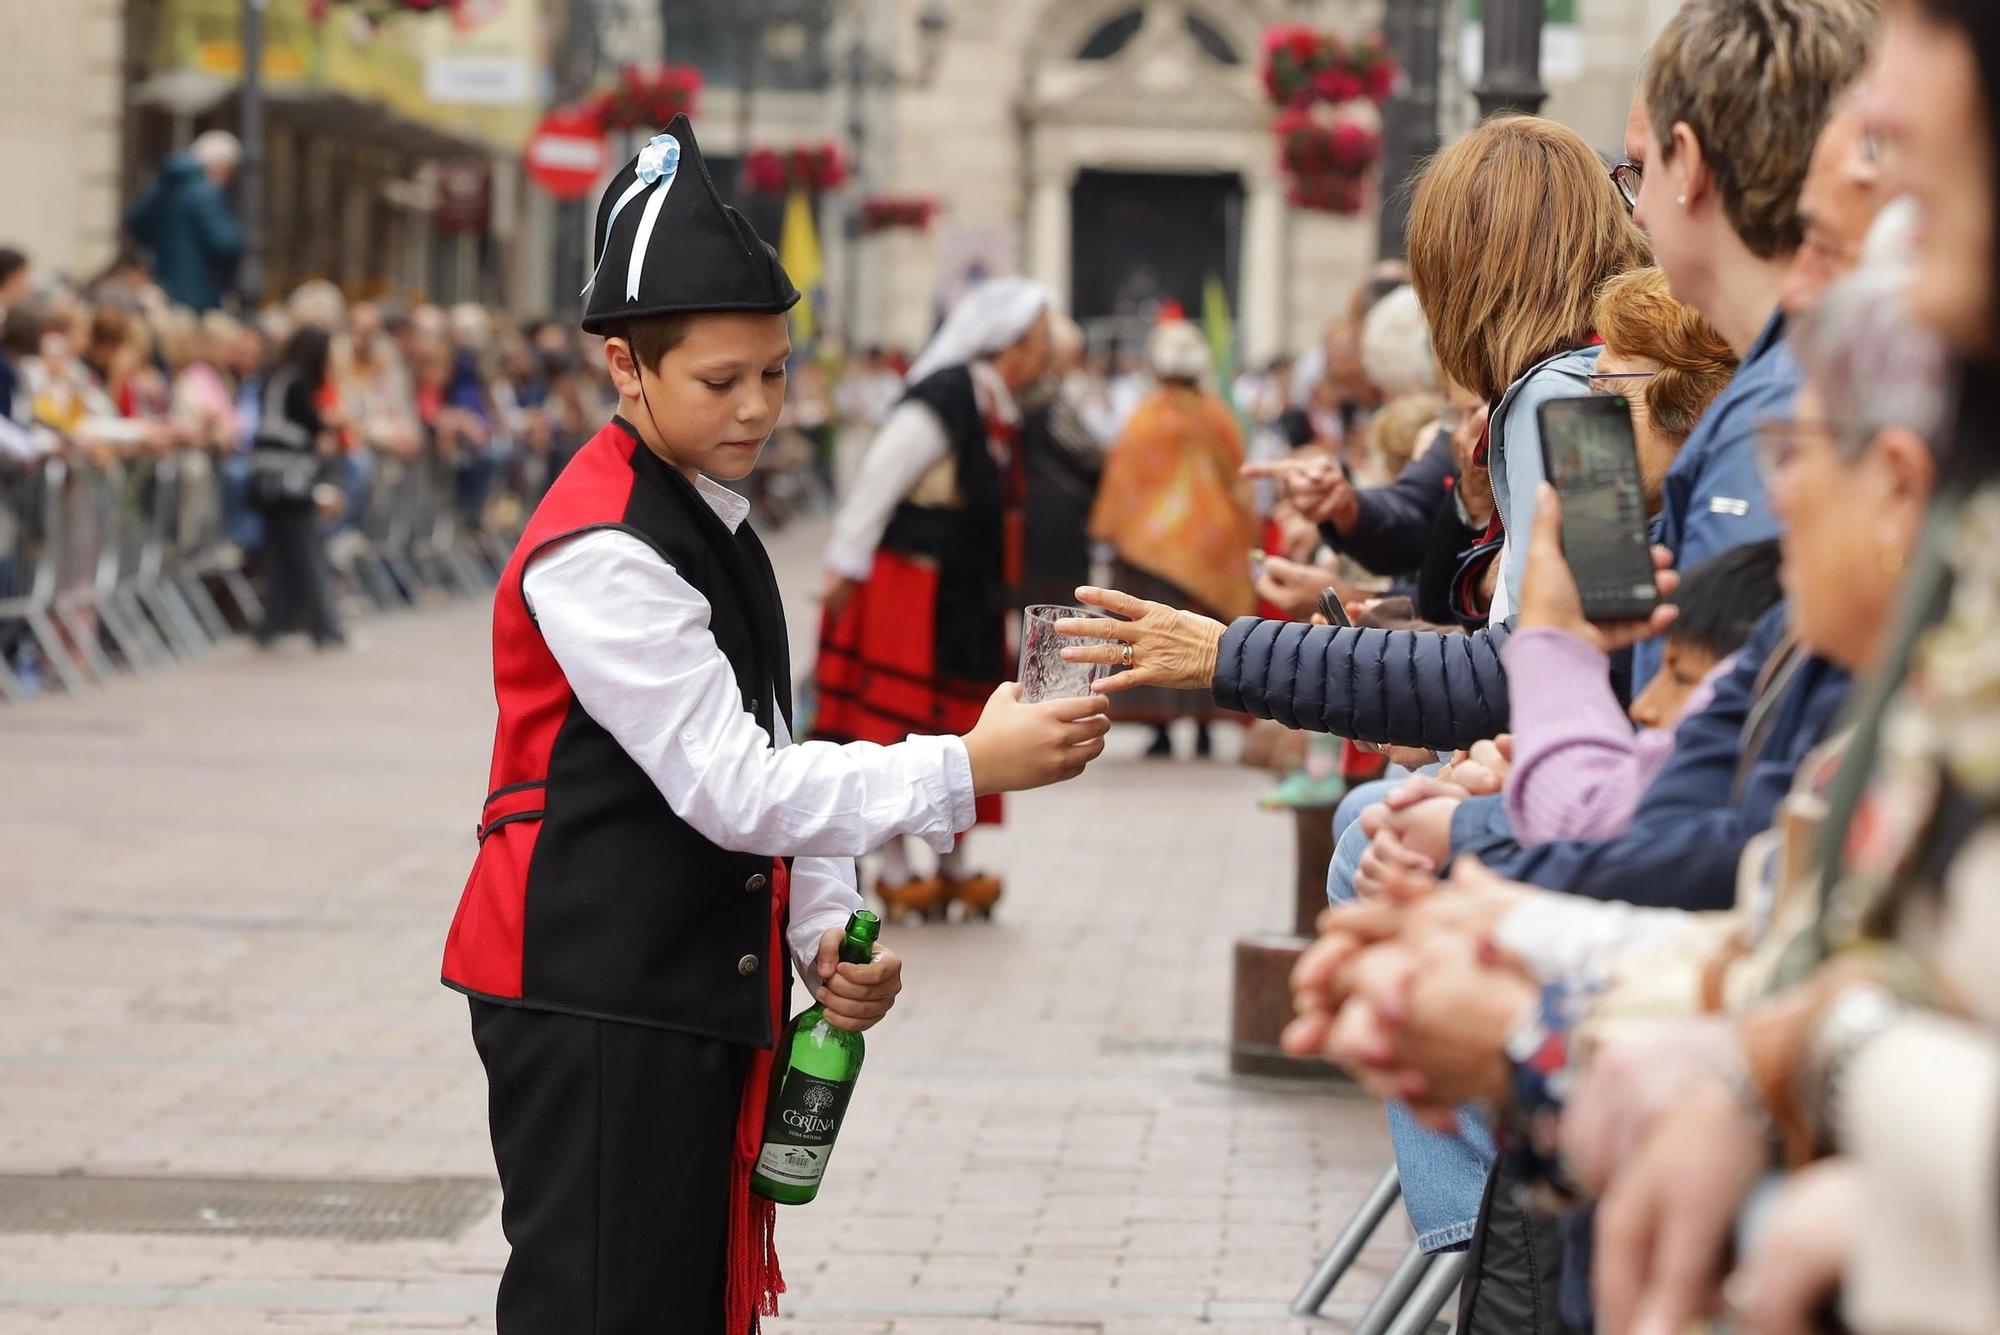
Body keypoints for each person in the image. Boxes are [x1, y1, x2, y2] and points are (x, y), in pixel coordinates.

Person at [439, 116, 1107, 1335]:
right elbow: (731, 787)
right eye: (721, 379)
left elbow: (774, 745)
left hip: (674, 981)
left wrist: (819, 930)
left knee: (676, 1305)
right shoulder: (601, 546)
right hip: (595, 987)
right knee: (599, 1308)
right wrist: (963, 765)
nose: (759, 405)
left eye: (776, 372)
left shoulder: (702, 509)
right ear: (624, 371)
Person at [815, 276, 1055, 920]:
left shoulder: (999, 405)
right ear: (1009, 345)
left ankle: (951, 862)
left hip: (966, 592)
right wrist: (845, 564)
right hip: (911, 588)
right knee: (899, 722)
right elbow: (880, 480)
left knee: (962, 721)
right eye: (1041, 339)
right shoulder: (945, 398)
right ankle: (895, 865)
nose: (1049, 351)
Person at [1088, 319, 1258, 760]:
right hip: (1209, 545)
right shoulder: (1215, 413)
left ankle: (1159, 727)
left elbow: (1123, 479)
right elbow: (1238, 477)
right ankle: (1204, 727)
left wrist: (1117, 530)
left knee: (1150, 631)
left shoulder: (1146, 415)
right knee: (1207, 633)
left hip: (1151, 546)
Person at [249, 325, 346, 649]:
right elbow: (308, 422)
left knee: (282, 557)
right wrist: (328, 424)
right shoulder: (292, 380)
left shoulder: (275, 377)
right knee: (308, 552)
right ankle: (326, 628)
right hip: (288, 480)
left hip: (269, 479)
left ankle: (274, 625)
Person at [1018, 314, 1103, 612]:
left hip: (1040, 517)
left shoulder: (1034, 393)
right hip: (1054, 523)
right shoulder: (1045, 397)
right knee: (1053, 613)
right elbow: (1088, 453)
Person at [126, 130, 244, 313]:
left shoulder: (162, 189)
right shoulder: (206, 194)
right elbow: (226, 243)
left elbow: (136, 225)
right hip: (201, 291)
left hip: (164, 285)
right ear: (218, 166)